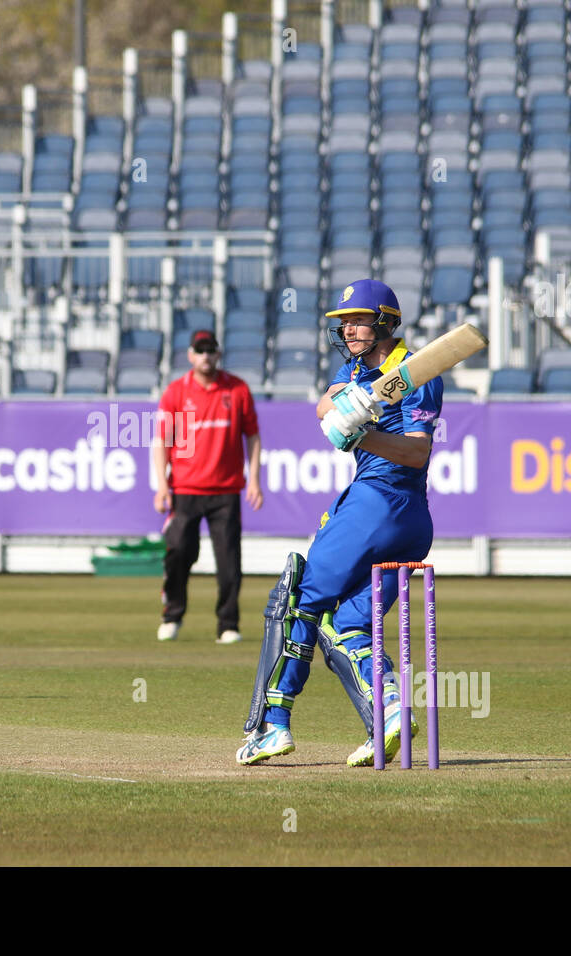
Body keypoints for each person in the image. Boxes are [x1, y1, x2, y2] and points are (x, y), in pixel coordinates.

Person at [236, 279, 442, 767]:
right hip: (407, 518)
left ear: (386, 322)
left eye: (358, 320)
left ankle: (272, 725)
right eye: (342, 321)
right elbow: (326, 404)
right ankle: (390, 713)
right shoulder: (360, 372)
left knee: (297, 600)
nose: (348, 328)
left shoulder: (415, 373)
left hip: (381, 502)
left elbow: (417, 452)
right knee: (349, 624)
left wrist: (362, 434)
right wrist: (344, 405)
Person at [152, 329, 263, 644]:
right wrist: (162, 486)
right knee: (179, 553)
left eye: (210, 350)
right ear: (190, 355)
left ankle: (228, 624)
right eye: (199, 351)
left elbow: (252, 436)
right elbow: (162, 442)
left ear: (218, 354)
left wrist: (254, 479)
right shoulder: (176, 392)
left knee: (229, 561)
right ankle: (172, 615)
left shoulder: (237, 389)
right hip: (185, 489)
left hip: (226, 491)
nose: (205, 356)